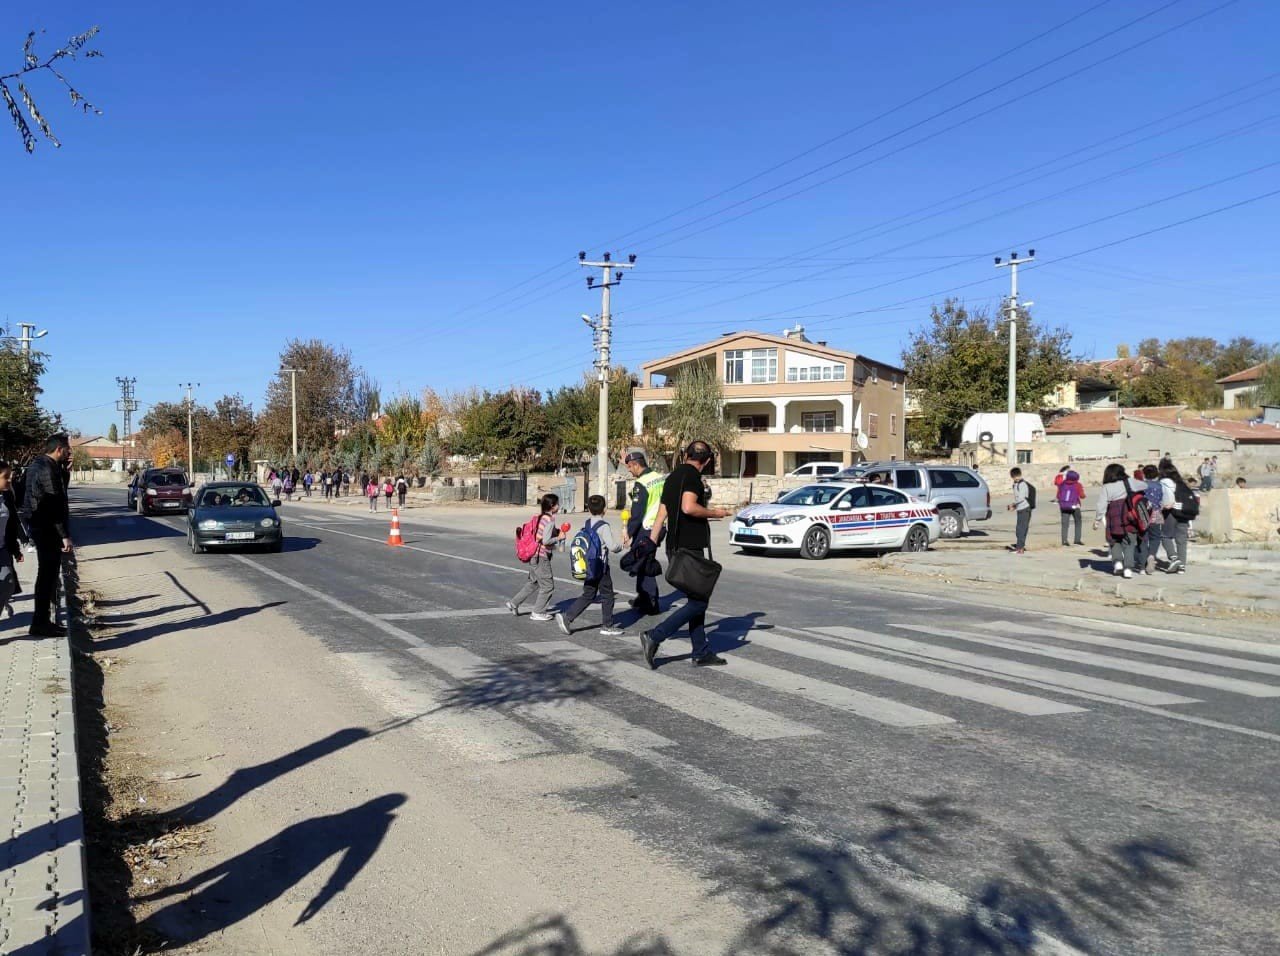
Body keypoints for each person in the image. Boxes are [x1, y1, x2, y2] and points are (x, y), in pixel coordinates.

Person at [640, 440, 734, 669]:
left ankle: (700, 651)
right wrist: (716, 513)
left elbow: (662, 513)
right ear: (708, 460)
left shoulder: (672, 477)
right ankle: (655, 635)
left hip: (674, 547)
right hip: (689, 548)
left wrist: (652, 543)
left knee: (696, 599)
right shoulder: (692, 477)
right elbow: (688, 507)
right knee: (699, 601)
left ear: (685, 454)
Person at [20, 434, 73, 637]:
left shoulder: (43, 465)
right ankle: (40, 624)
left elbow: (59, 493)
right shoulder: (46, 468)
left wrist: (65, 473)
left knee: (48, 577)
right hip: (46, 529)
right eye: (67, 448)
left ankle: (44, 621)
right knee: (46, 577)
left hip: (41, 527)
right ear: (59, 449)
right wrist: (64, 535)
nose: (70, 452)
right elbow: (54, 504)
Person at [556, 495, 625, 636]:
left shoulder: (588, 523)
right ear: (604, 509)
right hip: (601, 566)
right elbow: (612, 547)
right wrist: (622, 545)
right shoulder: (604, 526)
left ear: (589, 508)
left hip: (588, 564)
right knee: (607, 595)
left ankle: (567, 617)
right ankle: (607, 625)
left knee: (588, 594)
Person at [507, 493, 564, 621]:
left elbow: (540, 534)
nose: (559, 506)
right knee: (548, 586)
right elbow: (545, 540)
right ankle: (538, 612)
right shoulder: (549, 520)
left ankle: (514, 603)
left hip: (534, 555)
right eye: (557, 504)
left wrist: (556, 532)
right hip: (541, 557)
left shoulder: (540, 517)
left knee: (533, 582)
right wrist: (559, 538)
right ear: (552, 506)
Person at [621, 451, 665, 615]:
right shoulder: (658, 477)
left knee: (645, 563)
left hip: (646, 529)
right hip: (659, 527)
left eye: (629, 468)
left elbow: (637, 513)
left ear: (636, 465)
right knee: (641, 561)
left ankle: (652, 602)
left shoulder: (642, 483)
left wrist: (629, 532)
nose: (630, 471)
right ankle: (643, 597)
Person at [1093, 462, 1146, 579]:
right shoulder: (1129, 482)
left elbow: (1101, 504)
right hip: (1128, 514)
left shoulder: (1106, 487)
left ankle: (1117, 563)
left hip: (1113, 515)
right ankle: (1128, 568)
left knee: (1114, 540)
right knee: (1130, 542)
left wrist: (1097, 519)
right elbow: (1145, 486)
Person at [0, 461, 29, 622]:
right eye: (6, 477)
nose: (10, 480)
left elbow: (11, 525)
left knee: (8, 583)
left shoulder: (7, 496)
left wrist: (16, 550)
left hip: (2, 549)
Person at [1158, 458, 1194, 574]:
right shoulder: (1181, 484)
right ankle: (1182, 566)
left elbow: (1163, 499)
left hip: (1171, 514)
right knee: (1181, 540)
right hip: (1184, 513)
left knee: (1165, 536)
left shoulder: (1163, 482)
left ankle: (1173, 557)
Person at [1055, 469, 1085, 546]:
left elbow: (1058, 496)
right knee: (1078, 522)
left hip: (1064, 506)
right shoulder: (1078, 485)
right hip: (1075, 506)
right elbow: (1082, 496)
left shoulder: (1062, 484)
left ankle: (1064, 540)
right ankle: (1077, 539)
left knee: (1065, 524)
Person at [1007, 467, 1033, 554]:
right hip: (1020, 508)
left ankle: (1019, 548)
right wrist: (1015, 506)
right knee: (1020, 528)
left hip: (1025, 509)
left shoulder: (1022, 484)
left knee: (1021, 529)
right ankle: (1020, 546)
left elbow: (1021, 498)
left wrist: (1013, 504)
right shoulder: (1016, 484)